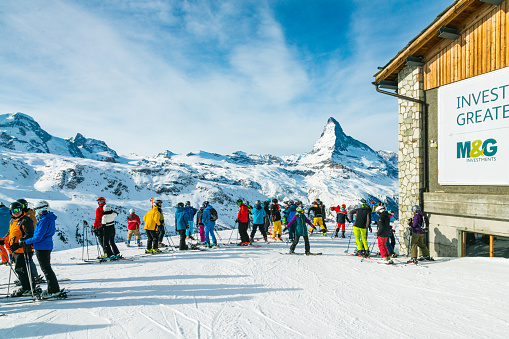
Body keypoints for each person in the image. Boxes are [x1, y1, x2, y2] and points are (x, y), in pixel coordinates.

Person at [23, 201, 63, 298]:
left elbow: (38, 237)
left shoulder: (44, 220)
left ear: (41, 209)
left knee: (46, 269)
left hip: (42, 247)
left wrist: (25, 241)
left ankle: (53, 290)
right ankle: (53, 288)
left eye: (36, 210)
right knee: (47, 268)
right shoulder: (47, 218)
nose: (35, 212)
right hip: (45, 245)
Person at [2, 201, 37, 297]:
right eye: (13, 210)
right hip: (16, 250)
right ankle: (26, 286)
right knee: (19, 269)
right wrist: (3, 240)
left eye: (18, 210)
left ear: (21, 210)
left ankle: (28, 287)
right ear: (11, 212)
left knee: (23, 269)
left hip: (24, 249)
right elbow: (10, 233)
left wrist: (19, 243)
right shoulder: (13, 221)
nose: (16, 212)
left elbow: (30, 234)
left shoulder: (26, 220)